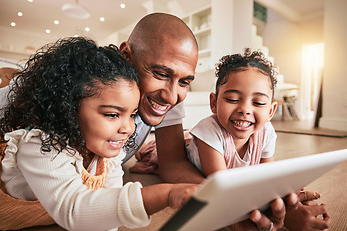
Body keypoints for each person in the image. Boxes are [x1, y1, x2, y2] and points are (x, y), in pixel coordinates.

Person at [119, 12, 295, 230]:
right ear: (126, 56)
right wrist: (229, 204)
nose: (172, 96)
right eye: (160, 73)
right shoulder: (93, 97)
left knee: (156, 148)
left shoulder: (171, 102)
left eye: (184, 82)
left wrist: (282, 209)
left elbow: (173, 162)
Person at [0, 37, 198, 231]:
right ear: (68, 109)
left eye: (132, 114)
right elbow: (73, 209)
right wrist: (166, 194)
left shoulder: (107, 156)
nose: (128, 128)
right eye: (112, 115)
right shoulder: (39, 145)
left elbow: (106, 213)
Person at [131, 48, 331, 230]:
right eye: (232, 99)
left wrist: (288, 198)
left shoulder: (267, 132)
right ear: (213, 103)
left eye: (258, 102)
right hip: (193, 150)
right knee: (151, 153)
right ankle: (145, 147)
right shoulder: (209, 130)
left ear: (271, 111)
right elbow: (224, 186)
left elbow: (266, 176)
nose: (244, 109)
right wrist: (275, 206)